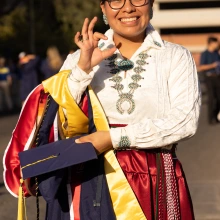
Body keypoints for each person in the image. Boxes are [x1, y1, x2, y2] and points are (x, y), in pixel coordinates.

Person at [3, 0, 200, 219]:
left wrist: (113, 138)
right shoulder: (78, 58)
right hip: (88, 179)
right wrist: (82, 70)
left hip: (152, 178)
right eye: (116, 0)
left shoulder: (175, 56)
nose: (128, 8)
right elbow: (56, 122)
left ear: (151, 3)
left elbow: (185, 122)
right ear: (103, 7)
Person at [199, 36, 220, 124]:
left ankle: (216, 116)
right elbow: (201, 67)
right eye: (216, 43)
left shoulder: (216, 53)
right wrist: (212, 65)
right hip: (209, 77)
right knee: (211, 98)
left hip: (217, 77)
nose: (217, 44)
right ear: (211, 43)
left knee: (219, 98)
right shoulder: (205, 54)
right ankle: (210, 118)